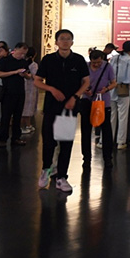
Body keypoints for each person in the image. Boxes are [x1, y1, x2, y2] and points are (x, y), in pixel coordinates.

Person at [34, 29, 90, 193]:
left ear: (72, 42)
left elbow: (86, 82)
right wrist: (51, 89)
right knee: (49, 141)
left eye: (68, 39)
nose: (65, 41)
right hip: (52, 106)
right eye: (62, 38)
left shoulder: (78, 60)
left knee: (66, 142)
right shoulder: (48, 59)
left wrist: (75, 97)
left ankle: (62, 177)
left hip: (69, 107)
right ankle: (46, 169)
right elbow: (37, 81)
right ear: (56, 42)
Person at [80, 50, 116, 168]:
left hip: (103, 102)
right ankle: (86, 158)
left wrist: (107, 89)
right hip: (87, 101)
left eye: (99, 62)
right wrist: (85, 90)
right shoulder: (85, 67)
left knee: (106, 130)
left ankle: (108, 158)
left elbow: (114, 82)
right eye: (94, 63)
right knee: (86, 130)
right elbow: (80, 82)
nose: (97, 65)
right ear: (90, 60)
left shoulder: (107, 67)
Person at [0, 42, 31, 148]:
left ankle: (16, 137)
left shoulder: (24, 62)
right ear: (15, 50)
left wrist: (24, 75)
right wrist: (15, 72)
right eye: (20, 53)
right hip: (8, 92)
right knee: (6, 117)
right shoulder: (5, 60)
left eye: (24, 54)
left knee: (18, 116)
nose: (22, 56)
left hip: (20, 91)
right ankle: (3, 138)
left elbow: (29, 76)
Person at [20, 48, 38, 134]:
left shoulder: (22, 62)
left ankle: (28, 124)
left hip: (24, 86)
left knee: (25, 107)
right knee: (28, 107)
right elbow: (35, 76)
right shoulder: (34, 65)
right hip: (31, 87)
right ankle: (23, 126)